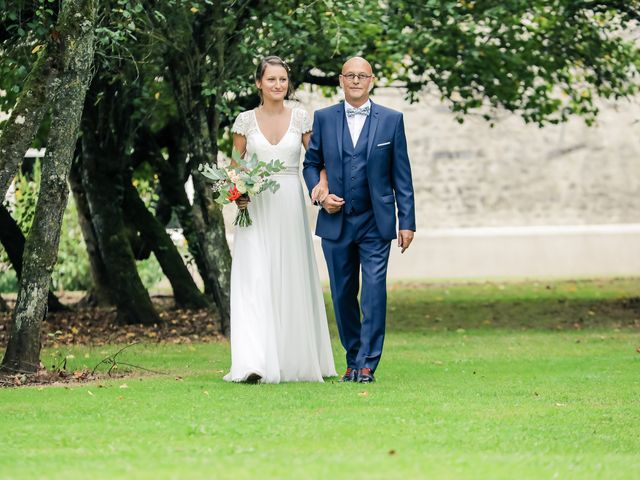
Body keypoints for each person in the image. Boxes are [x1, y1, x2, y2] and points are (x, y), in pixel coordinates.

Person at [223, 56, 337, 384]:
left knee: (291, 276)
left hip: (289, 203)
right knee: (255, 279)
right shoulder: (244, 121)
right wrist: (237, 191)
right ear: (258, 83)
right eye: (271, 79)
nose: (278, 85)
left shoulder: (301, 118)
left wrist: (322, 184)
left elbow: (315, 159)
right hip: (256, 208)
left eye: (283, 80)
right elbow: (236, 166)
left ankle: (293, 359)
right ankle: (253, 362)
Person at [303, 56, 416, 383]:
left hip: (375, 221)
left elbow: (402, 175)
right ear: (341, 80)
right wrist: (321, 194)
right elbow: (311, 164)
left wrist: (406, 221)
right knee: (342, 293)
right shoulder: (324, 118)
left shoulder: (391, 120)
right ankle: (352, 359)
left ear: (371, 80)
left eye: (361, 75)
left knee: (374, 291)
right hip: (336, 222)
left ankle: (368, 362)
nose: (355, 80)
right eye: (350, 75)